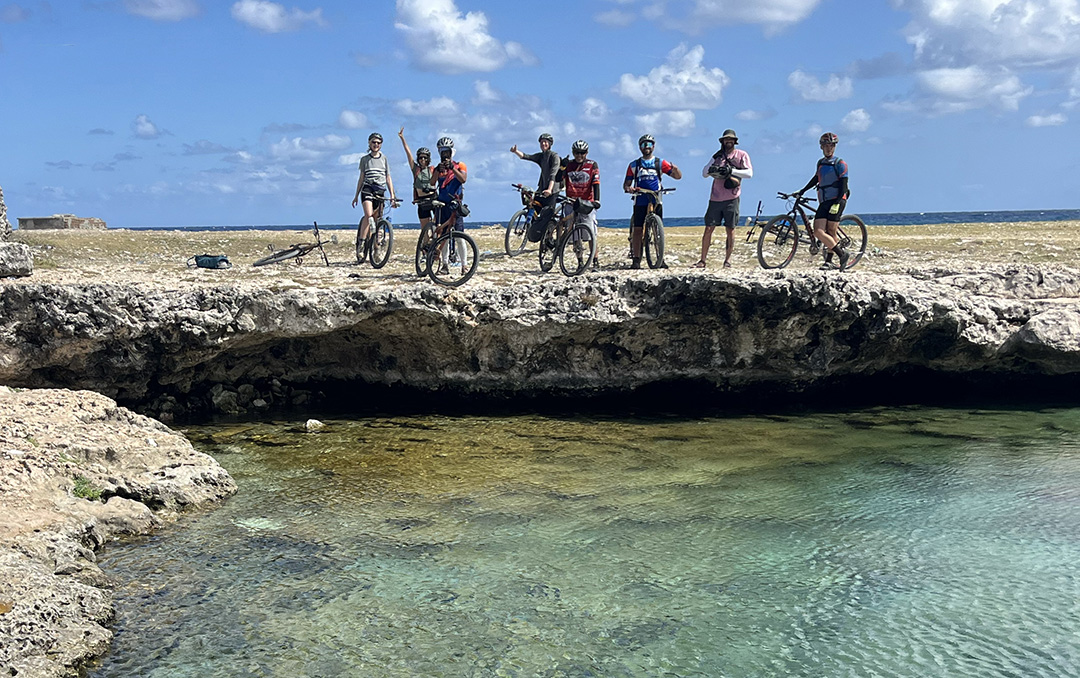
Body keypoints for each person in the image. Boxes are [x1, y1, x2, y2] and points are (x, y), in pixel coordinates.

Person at [623, 134, 682, 269]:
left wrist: (675, 168)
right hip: (640, 199)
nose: (646, 147)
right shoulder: (634, 165)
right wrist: (629, 188)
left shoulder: (659, 163)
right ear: (640, 147)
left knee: (657, 230)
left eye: (649, 145)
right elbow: (626, 184)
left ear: (653, 146)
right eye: (644, 145)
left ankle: (659, 258)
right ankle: (636, 259)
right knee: (638, 230)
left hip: (656, 199)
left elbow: (677, 177)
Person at [698, 129, 752, 269]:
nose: (728, 142)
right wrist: (714, 168)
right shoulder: (717, 156)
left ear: (735, 141)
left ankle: (727, 261)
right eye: (726, 140)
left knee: (730, 229)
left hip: (732, 197)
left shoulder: (742, 155)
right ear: (722, 141)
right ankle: (702, 260)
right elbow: (704, 173)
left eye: (731, 140)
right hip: (715, 197)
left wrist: (731, 171)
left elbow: (749, 173)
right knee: (709, 227)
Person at [796, 132, 850, 270]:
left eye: (831, 146)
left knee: (831, 230)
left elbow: (844, 186)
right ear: (821, 147)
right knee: (818, 232)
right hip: (824, 200)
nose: (828, 148)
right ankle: (842, 254)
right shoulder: (821, 163)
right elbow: (816, 178)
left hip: (837, 200)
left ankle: (829, 261)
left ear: (835, 147)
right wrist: (802, 190)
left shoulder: (840, 164)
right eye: (826, 145)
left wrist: (837, 203)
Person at [351, 132, 397, 260]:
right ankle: (361, 244)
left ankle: (377, 248)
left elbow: (388, 177)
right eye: (373, 142)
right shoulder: (365, 159)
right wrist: (356, 196)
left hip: (380, 190)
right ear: (369, 143)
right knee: (369, 215)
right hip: (367, 188)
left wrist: (392, 195)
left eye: (378, 143)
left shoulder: (384, 159)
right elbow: (361, 178)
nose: (376, 145)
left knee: (378, 220)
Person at [561, 139, 602, 270]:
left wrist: (597, 200)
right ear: (573, 152)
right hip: (571, 201)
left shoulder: (592, 165)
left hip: (586, 202)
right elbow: (558, 180)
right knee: (575, 234)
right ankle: (580, 261)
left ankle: (595, 261)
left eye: (582, 153)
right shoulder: (569, 165)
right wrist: (562, 167)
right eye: (577, 153)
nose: (579, 155)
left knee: (591, 233)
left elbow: (596, 184)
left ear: (587, 153)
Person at [398, 127, 436, 231]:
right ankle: (425, 245)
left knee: (438, 223)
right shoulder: (416, 169)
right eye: (420, 157)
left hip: (433, 198)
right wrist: (402, 138)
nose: (422, 159)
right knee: (424, 228)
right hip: (421, 201)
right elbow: (408, 153)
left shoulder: (433, 169)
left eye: (425, 157)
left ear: (428, 159)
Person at [510, 132, 561, 211]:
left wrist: (549, 189)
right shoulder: (541, 156)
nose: (543, 144)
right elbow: (526, 156)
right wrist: (515, 151)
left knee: (547, 214)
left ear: (550, 144)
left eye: (545, 142)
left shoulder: (554, 156)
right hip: (542, 188)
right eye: (541, 142)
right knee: (533, 207)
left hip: (553, 189)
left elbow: (553, 174)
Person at [433, 136, 467, 232]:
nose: (445, 155)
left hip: (455, 203)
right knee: (442, 234)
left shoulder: (460, 165)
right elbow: (432, 182)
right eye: (443, 152)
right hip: (443, 204)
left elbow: (463, 179)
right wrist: (437, 171)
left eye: (447, 152)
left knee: (459, 233)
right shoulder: (438, 168)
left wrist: (453, 168)